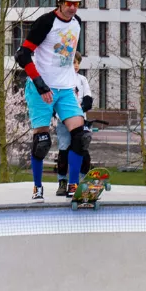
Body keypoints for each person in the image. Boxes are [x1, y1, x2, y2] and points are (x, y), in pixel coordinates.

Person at [15, 0, 88, 201]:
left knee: (81, 136)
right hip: (41, 88)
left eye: (76, 3)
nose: (72, 8)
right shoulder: (45, 23)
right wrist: (40, 84)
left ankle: (73, 185)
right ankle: (37, 188)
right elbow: (22, 55)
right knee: (42, 142)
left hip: (66, 88)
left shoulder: (77, 23)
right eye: (68, 3)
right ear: (59, 1)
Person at [55, 51, 93, 196]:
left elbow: (88, 100)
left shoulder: (82, 80)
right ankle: (62, 181)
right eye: (73, 63)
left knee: (82, 149)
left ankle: (83, 180)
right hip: (63, 121)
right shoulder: (60, 80)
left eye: (77, 63)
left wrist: (78, 112)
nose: (76, 66)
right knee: (64, 151)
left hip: (79, 120)